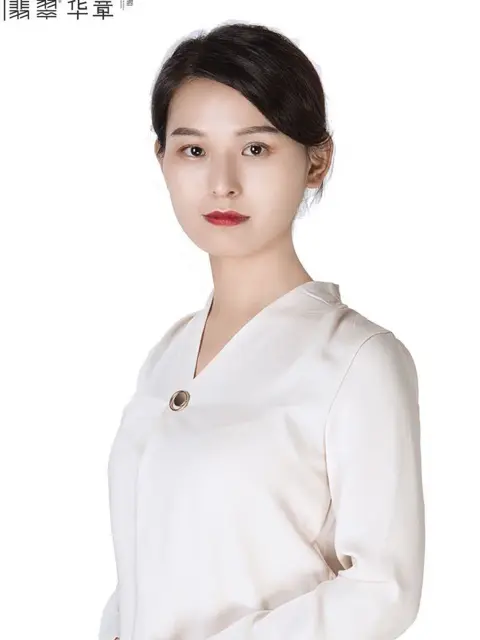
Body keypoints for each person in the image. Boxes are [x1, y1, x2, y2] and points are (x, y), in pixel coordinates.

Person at [98, 20, 425, 640]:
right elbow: (148, 569)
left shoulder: (357, 359)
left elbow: (382, 591)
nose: (222, 181)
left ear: (316, 161)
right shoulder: (167, 355)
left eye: (255, 149)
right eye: (193, 150)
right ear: (162, 160)